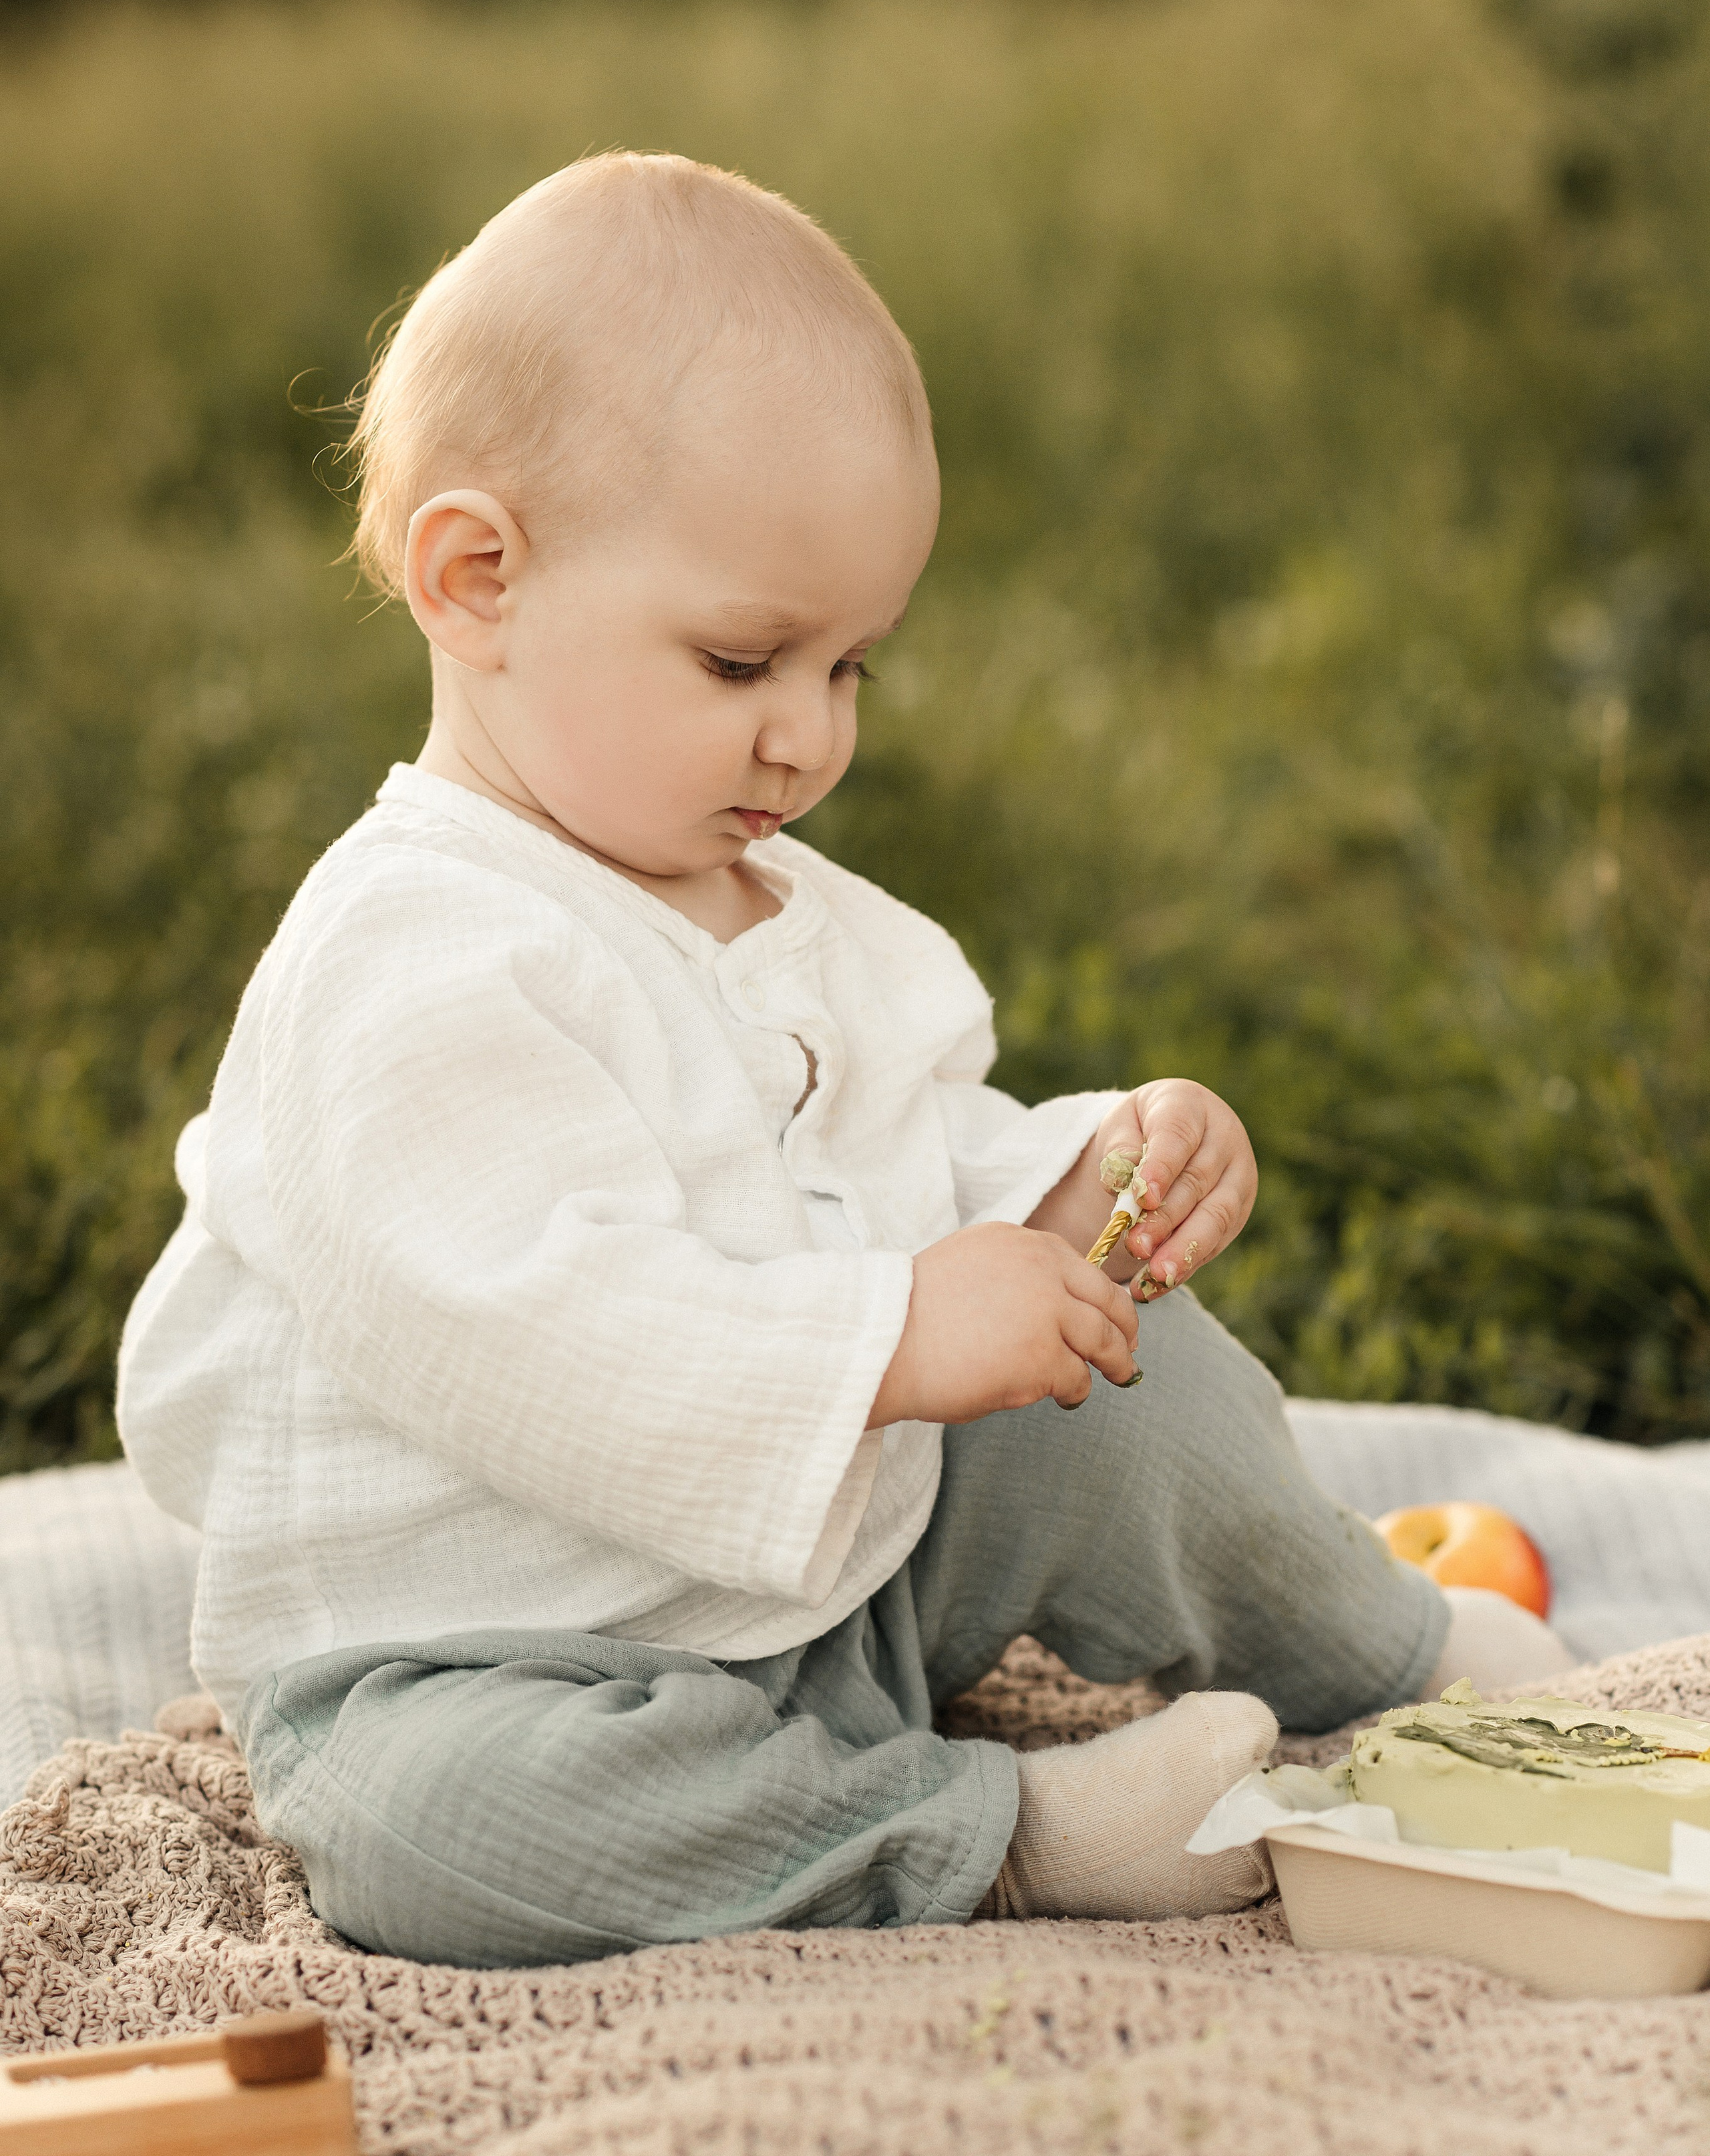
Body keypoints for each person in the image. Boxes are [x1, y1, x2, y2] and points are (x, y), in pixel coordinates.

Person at [117, 154, 1566, 1969]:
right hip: (500, 1647)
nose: (808, 734)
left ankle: (1392, 1650)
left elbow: (900, 1163)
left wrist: (1074, 1189)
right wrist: (887, 1334)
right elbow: (533, 1335)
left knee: (1125, 1382)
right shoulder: (408, 959)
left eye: (854, 666)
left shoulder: (768, 905)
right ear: (477, 578)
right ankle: (981, 1831)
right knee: (444, 1835)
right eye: (745, 659)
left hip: (828, 1576)